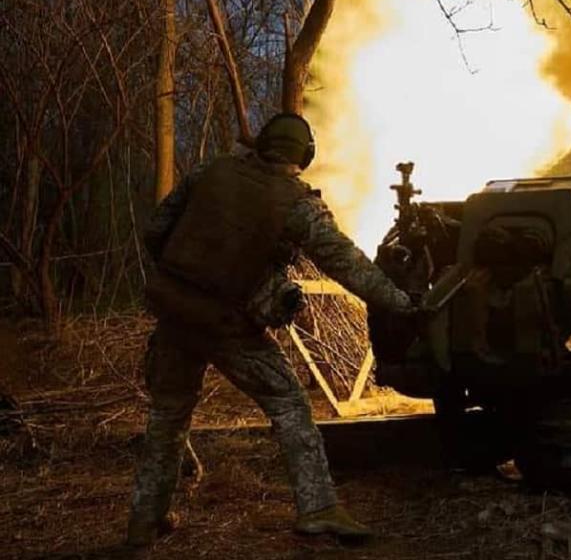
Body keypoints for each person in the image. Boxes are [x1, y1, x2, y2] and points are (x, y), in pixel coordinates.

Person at [127, 113, 414, 547]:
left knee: (168, 415)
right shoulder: (295, 203)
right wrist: (401, 303)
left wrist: (191, 275)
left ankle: (145, 520)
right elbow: (346, 264)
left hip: (175, 314)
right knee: (289, 403)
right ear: (305, 157)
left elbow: (155, 232)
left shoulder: (211, 171)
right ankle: (318, 508)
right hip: (228, 326)